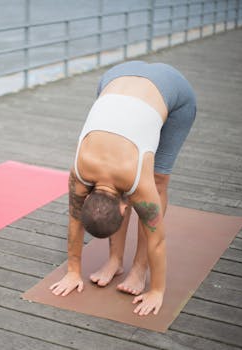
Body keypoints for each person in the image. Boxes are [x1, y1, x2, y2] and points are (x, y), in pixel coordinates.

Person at [49, 61, 196, 316]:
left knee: (159, 178)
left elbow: (157, 239)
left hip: (172, 89)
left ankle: (139, 270)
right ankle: (115, 261)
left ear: (126, 204)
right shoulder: (79, 175)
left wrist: (157, 290)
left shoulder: (139, 182)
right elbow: (75, 220)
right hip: (115, 77)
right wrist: (73, 272)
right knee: (125, 189)